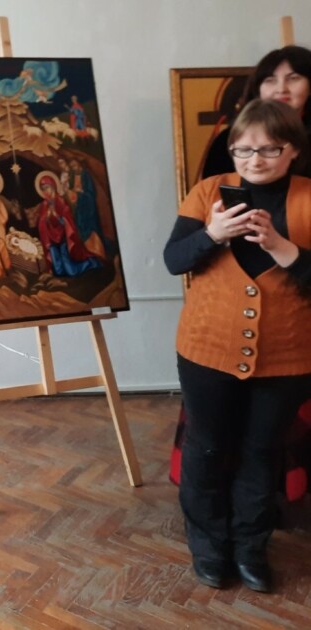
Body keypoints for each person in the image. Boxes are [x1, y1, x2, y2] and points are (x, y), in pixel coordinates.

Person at [164, 99, 311, 593]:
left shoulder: (309, 197)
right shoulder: (207, 192)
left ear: (293, 150)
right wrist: (212, 233)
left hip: (289, 355)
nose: (255, 159)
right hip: (207, 348)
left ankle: (250, 548)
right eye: (243, 149)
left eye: (270, 148)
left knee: (261, 451)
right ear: (231, 150)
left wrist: (281, 247)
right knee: (207, 446)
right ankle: (209, 547)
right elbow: (174, 260)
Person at [202, 45, 311, 179]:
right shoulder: (229, 138)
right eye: (270, 80)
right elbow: (215, 186)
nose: (281, 89)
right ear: (258, 89)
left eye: (293, 78)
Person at [35, 174, 101, 277]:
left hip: (62, 238)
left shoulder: (60, 201)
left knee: (71, 272)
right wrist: (45, 218)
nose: (45, 191)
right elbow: (41, 224)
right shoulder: (44, 205)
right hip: (51, 240)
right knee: (58, 272)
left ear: (53, 186)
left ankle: (91, 263)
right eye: (43, 189)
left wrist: (57, 217)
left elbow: (67, 219)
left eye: (47, 187)